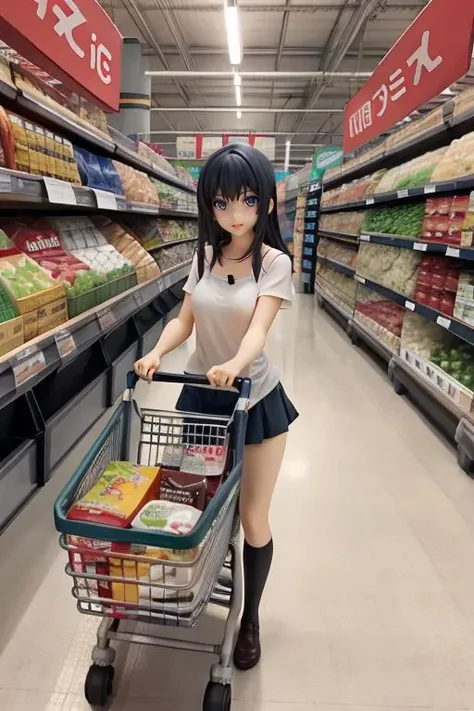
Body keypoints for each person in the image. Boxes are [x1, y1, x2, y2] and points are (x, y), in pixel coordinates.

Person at [134, 143, 298, 670]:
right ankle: (196, 586)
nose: (234, 214)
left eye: (248, 200)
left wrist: (234, 364)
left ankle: (249, 620)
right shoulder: (204, 255)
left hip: (255, 403)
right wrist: (159, 351)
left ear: (266, 204)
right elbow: (186, 320)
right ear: (209, 205)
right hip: (203, 401)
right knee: (198, 501)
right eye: (222, 202)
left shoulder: (274, 263)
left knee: (251, 517)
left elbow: (258, 329)